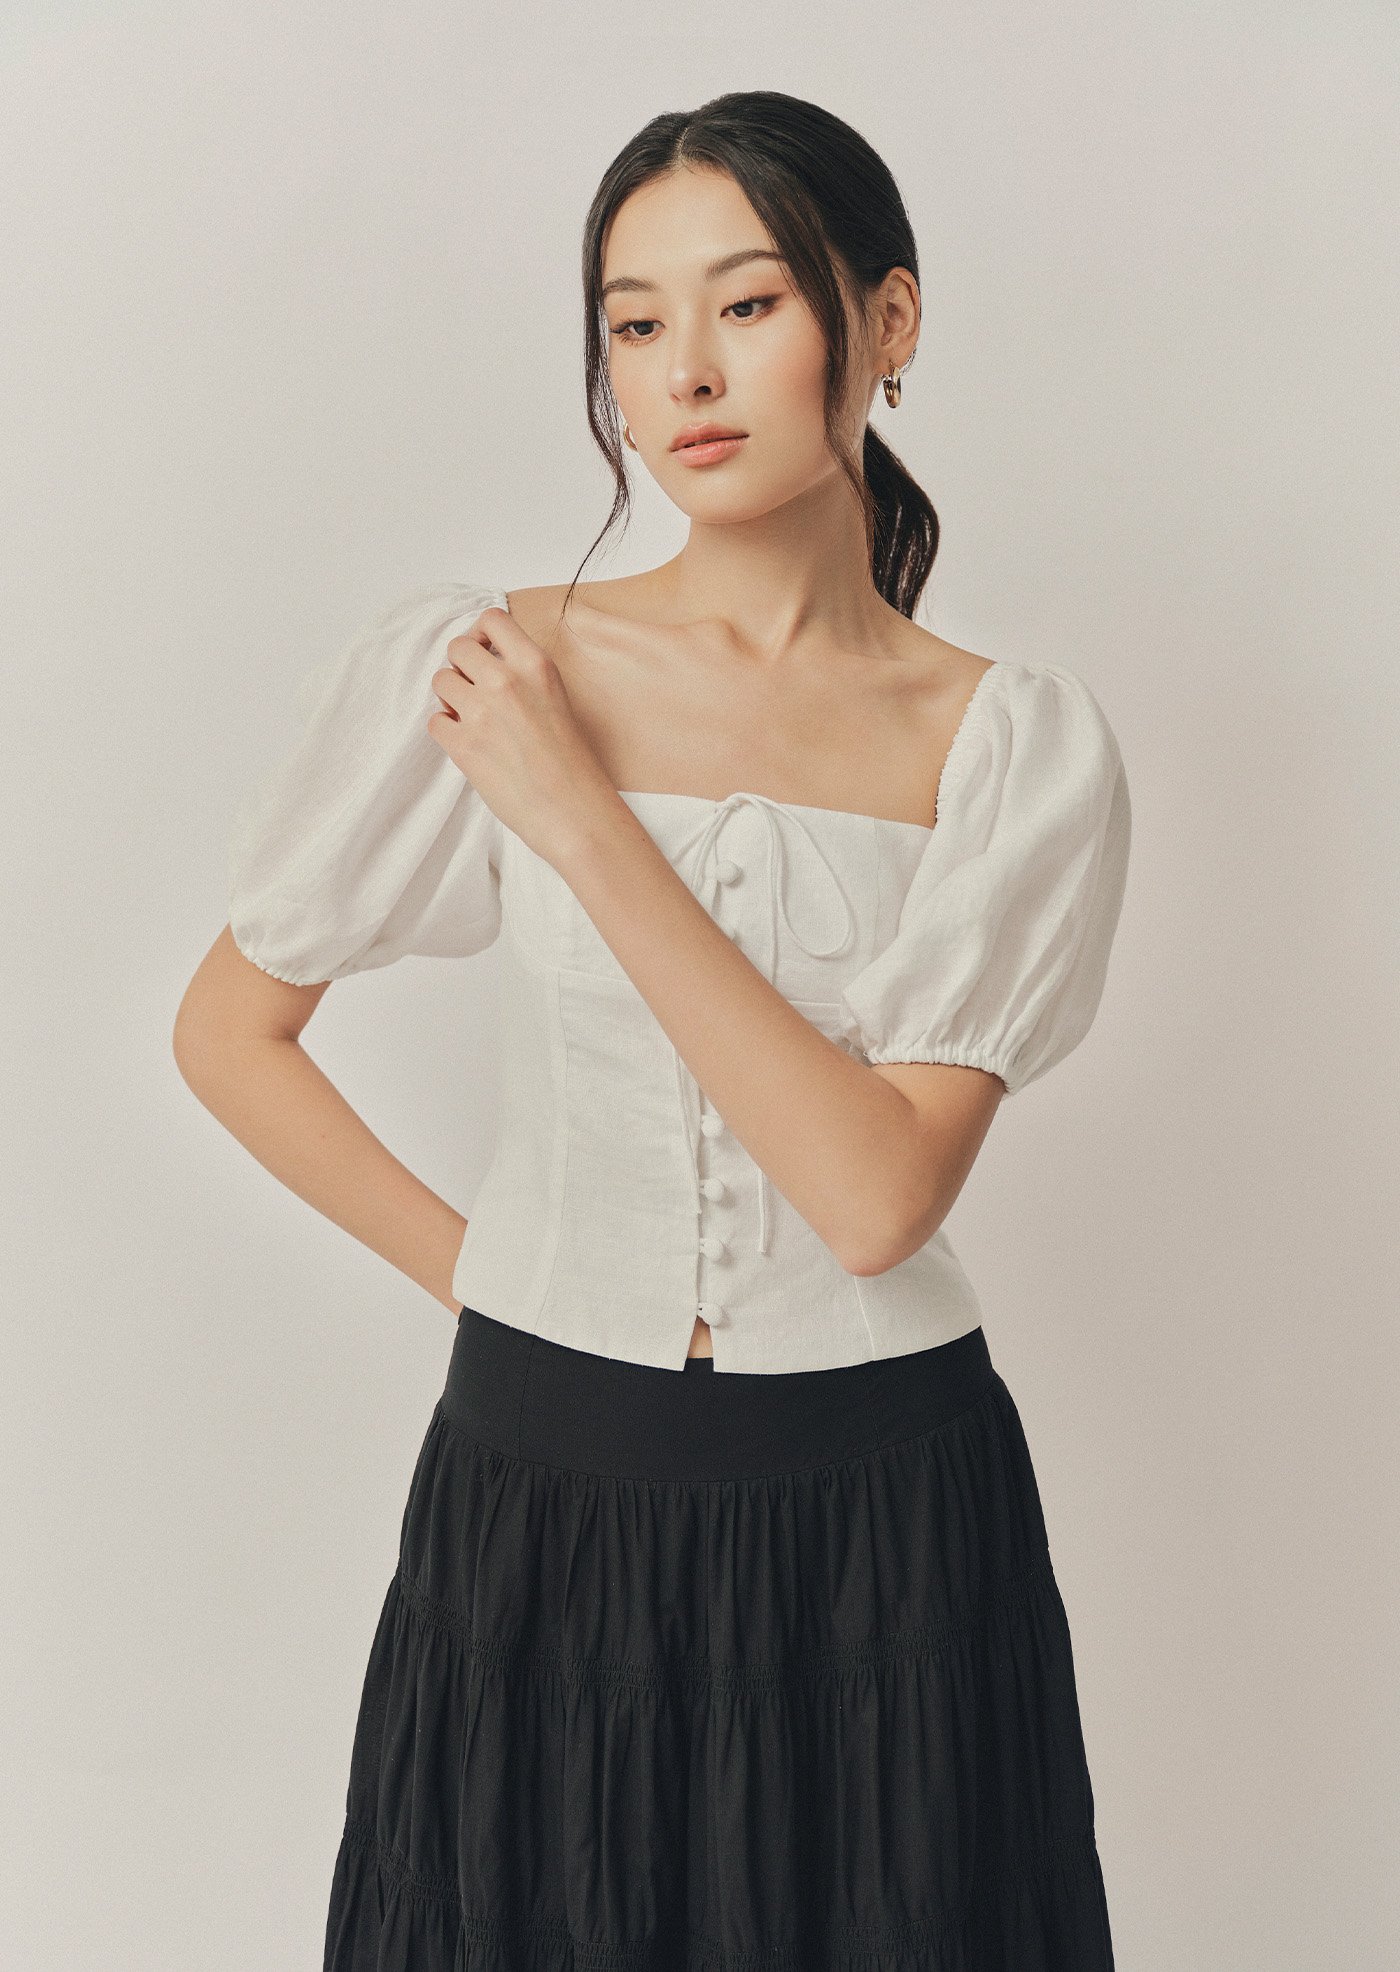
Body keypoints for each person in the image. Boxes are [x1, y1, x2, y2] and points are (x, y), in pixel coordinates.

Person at [175, 88, 1129, 1972]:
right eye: (632, 322)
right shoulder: (490, 666)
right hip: (538, 1501)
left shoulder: (1008, 743)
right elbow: (231, 1032)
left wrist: (583, 821)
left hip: (886, 1521)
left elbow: (875, 1201)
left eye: (748, 304)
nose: (683, 372)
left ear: (888, 320)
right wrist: (498, 1281)